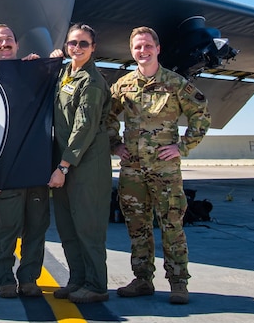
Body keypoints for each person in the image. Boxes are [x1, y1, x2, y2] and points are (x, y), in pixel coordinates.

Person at [109, 26, 210, 305]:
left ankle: (178, 283)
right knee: (137, 226)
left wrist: (183, 146)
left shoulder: (176, 84)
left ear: (158, 49)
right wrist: (114, 144)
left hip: (165, 170)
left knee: (171, 225)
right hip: (132, 171)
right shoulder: (123, 85)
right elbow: (106, 115)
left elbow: (200, 114)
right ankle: (142, 279)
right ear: (132, 51)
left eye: (147, 46)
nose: (143, 51)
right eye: (138, 47)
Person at [47, 23, 115, 304]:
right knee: (67, 226)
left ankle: (96, 284)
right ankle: (77, 279)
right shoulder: (64, 73)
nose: (77, 48)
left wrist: (63, 166)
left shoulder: (92, 81)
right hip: (65, 162)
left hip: (86, 164)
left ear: (93, 48)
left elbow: (83, 128)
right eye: (73, 43)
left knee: (88, 227)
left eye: (83, 44)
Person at [0, 24, 48, 299]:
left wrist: (48, 62)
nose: (4, 43)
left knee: (36, 228)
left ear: (17, 45)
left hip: (35, 166)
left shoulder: (31, 73)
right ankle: (4, 278)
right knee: (6, 231)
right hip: (6, 169)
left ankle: (29, 278)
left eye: (9, 39)